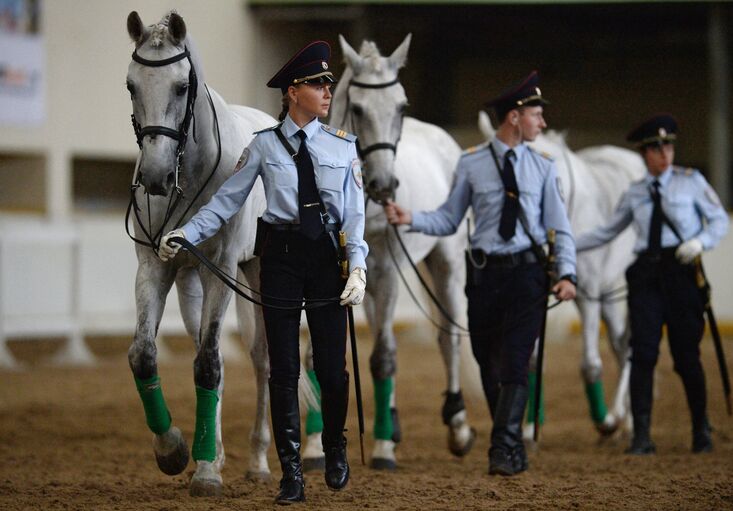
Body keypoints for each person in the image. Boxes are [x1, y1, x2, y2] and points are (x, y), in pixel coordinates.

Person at [158, 41, 368, 504]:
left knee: (333, 372)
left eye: (328, 83)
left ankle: (335, 444)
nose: (327, 91)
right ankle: (290, 469)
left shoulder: (342, 147)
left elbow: (354, 217)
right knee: (283, 368)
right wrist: (186, 232)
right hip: (282, 261)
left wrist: (358, 267)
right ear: (293, 92)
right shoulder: (263, 147)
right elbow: (227, 202)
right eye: (317, 84)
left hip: (328, 264)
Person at [384, 71, 577, 476]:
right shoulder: (471, 164)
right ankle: (511, 446)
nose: (541, 124)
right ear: (514, 117)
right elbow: (449, 218)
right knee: (486, 362)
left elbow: (560, 226)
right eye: (536, 116)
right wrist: (411, 217)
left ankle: (502, 448)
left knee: (515, 362)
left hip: (527, 275)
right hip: (485, 278)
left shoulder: (543, 167)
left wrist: (567, 274)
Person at [576, 114, 729, 455]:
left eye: (669, 146)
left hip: (682, 272)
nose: (665, 154)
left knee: (686, 356)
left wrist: (701, 242)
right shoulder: (635, 193)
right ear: (645, 154)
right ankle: (642, 434)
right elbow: (608, 231)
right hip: (646, 275)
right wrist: (567, 246)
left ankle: (700, 427)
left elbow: (719, 220)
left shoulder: (692, 182)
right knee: (641, 354)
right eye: (657, 148)